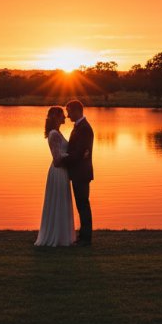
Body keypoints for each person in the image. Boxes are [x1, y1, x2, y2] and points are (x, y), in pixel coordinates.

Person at [34, 106, 74, 247]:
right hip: (58, 172)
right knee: (58, 202)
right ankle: (56, 237)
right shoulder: (54, 134)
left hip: (62, 172)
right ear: (56, 117)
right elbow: (57, 159)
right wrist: (75, 156)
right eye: (62, 115)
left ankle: (62, 236)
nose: (65, 117)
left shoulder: (57, 133)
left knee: (61, 202)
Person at [56, 99, 93, 246]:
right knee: (81, 204)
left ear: (77, 111)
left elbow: (78, 153)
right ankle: (83, 236)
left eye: (69, 111)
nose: (67, 115)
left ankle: (85, 238)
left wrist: (61, 160)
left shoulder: (84, 128)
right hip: (79, 172)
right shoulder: (79, 126)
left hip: (81, 173)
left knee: (83, 204)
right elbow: (77, 151)